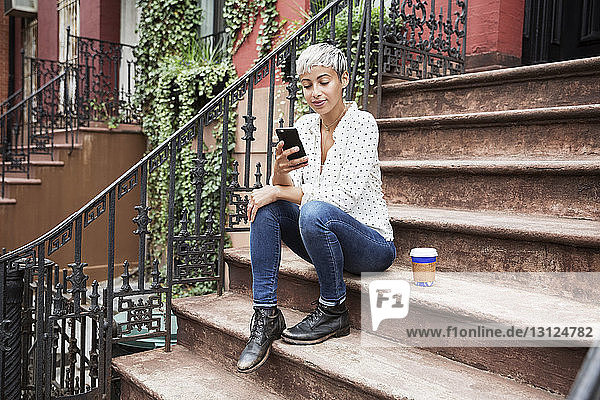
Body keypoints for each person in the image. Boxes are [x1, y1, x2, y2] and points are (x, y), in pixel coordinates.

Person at [236, 43, 396, 373]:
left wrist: (278, 190)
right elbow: (284, 185)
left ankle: (334, 310)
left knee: (310, 210)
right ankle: (265, 316)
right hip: (321, 238)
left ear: (344, 80)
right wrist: (279, 168)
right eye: (307, 85)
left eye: (324, 81)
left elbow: (340, 198)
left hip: (370, 245)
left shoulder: (362, 124)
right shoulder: (305, 127)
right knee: (268, 210)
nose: (315, 92)